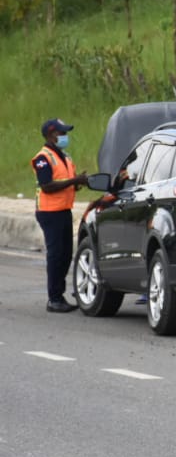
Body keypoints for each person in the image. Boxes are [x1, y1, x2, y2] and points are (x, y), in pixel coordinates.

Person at [32, 118, 89, 313]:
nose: (65, 136)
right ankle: (54, 299)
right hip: (49, 212)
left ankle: (59, 294)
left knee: (65, 255)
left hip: (64, 210)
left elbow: (66, 182)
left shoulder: (65, 156)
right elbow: (47, 186)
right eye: (61, 133)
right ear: (51, 135)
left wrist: (78, 182)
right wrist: (73, 181)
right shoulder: (43, 158)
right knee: (56, 255)